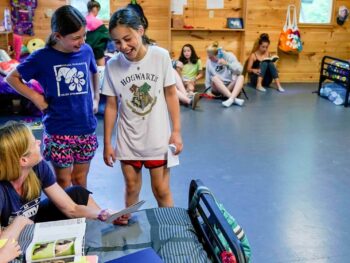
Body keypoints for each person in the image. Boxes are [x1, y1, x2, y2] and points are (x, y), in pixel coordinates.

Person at [6, 5, 100, 189]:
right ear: (58, 36)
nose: (82, 41)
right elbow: (12, 78)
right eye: (75, 38)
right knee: (63, 181)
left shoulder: (86, 50)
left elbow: (94, 72)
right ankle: (66, 217)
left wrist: (96, 97)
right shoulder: (42, 57)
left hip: (85, 127)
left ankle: (80, 215)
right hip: (58, 130)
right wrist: (36, 97)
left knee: (80, 180)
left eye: (84, 36)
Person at [102, 8, 183, 210]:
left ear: (140, 30)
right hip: (128, 139)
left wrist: (176, 131)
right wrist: (107, 143)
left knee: (161, 190)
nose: (123, 46)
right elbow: (111, 106)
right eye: (117, 42)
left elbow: (171, 95)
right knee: (131, 188)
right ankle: (130, 233)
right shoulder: (113, 65)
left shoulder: (160, 57)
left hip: (157, 137)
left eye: (127, 38)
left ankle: (171, 232)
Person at [0, 122, 121, 230]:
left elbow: (71, 209)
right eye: (33, 143)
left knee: (77, 193)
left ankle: (104, 229)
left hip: (31, 223)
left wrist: (102, 214)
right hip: (10, 237)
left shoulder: (38, 167)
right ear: (23, 160)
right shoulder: (2, 190)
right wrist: (20, 224)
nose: (39, 142)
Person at [205, 42, 245, 107]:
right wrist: (208, 91)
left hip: (229, 85)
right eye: (208, 56)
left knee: (241, 77)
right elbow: (207, 75)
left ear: (217, 55)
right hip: (217, 87)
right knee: (214, 78)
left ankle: (231, 99)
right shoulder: (209, 60)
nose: (209, 58)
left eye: (211, 57)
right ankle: (233, 99)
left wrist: (227, 64)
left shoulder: (229, 56)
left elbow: (240, 70)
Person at [85, 0, 110, 66]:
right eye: (98, 10)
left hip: (85, 48)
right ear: (95, 9)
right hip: (97, 50)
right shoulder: (98, 22)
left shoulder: (82, 20)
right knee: (101, 68)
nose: (98, 12)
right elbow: (106, 34)